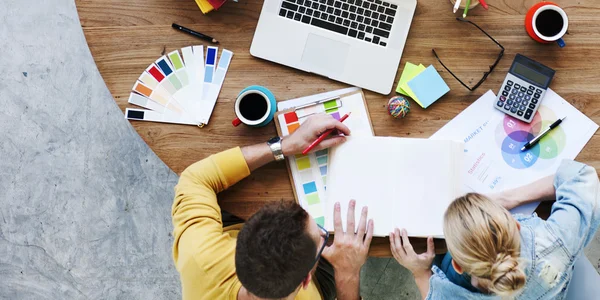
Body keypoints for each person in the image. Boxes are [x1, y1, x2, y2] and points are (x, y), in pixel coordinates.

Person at [171, 114, 374, 300]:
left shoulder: (199, 254)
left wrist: (284, 145)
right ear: (306, 280)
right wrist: (348, 275)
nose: (324, 235)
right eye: (322, 237)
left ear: (238, 246)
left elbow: (195, 179)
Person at [389, 160, 600, 299]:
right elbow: (582, 177)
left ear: (458, 266)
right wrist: (508, 198)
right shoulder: (553, 241)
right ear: (516, 226)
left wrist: (419, 271)